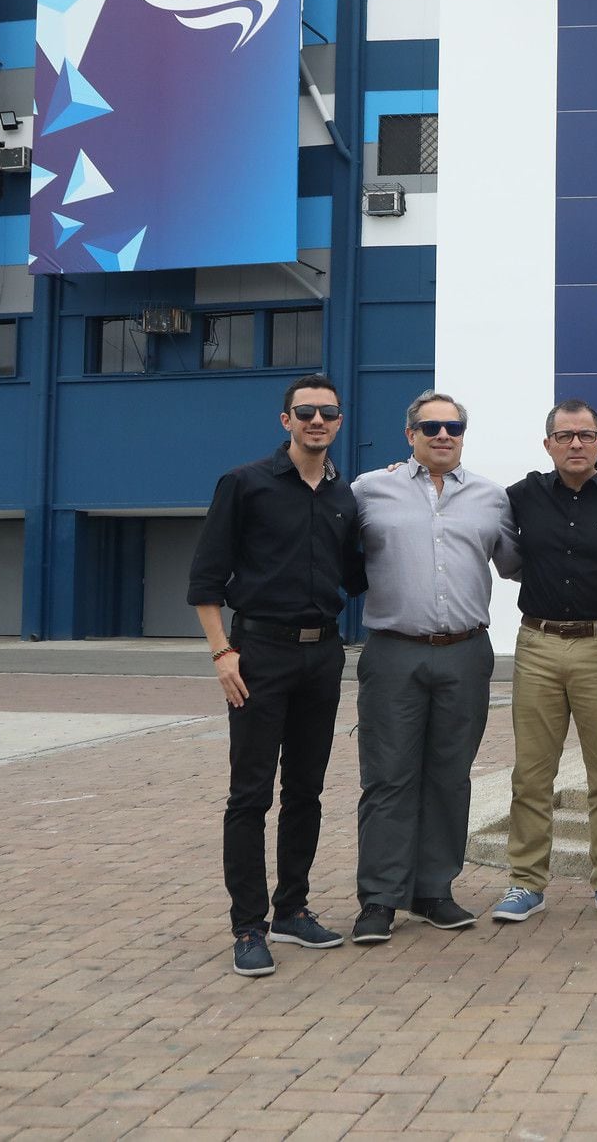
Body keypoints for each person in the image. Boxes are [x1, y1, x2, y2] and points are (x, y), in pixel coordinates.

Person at [188, 374, 366, 978]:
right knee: (250, 794)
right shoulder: (244, 485)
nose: (318, 421)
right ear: (285, 420)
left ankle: (292, 909)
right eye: (306, 412)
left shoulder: (345, 496)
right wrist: (222, 654)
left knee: (306, 791)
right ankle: (247, 927)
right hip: (259, 654)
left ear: (340, 421)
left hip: (324, 658)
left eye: (329, 412)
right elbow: (206, 581)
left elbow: (359, 576)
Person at [348, 390, 520, 945]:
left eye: (453, 426)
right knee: (388, 777)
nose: (442, 435)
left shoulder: (491, 498)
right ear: (410, 434)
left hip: (467, 652)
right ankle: (379, 897)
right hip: (394, 649)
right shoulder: (369, 491)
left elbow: (519, 562)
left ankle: (433, 890)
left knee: (449, 776)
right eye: (431, 427)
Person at [486, 401, 597, 925]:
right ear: (547, 443)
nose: (575, 444)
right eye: (564, 436)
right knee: (531, 774)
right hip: (539, 645)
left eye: (586, 435)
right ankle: (526, 882)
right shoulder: (522, 496)